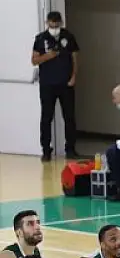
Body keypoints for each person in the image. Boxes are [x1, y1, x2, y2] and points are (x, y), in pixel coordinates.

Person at [32, 11, 79, 161]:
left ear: (61, 23)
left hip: (66, 83)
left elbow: (75, 57)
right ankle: (46, 150)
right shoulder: (40, 39)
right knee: (46, 117)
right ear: (47, 23)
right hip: (47, 84)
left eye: (57, 25)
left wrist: (74, 76)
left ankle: (70, 148)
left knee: (69, 116)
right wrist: (48, 56)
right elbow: (34, 60)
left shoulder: (68, 36)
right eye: (52, 25)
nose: (54, 28)